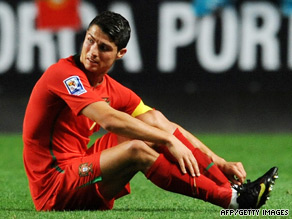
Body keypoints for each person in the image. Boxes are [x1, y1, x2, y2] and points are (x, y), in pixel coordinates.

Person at [23, 11, 278, 211]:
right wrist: (166, 139)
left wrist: (219, 163)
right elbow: (108, 119)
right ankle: (230, 201)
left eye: (104, 48)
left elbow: (160, 122)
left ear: (120, 54)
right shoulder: (64, 75)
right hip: (52, 186)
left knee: (153, 123)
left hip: (78, 169)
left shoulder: (111, 88)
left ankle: (236, 190)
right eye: (90, 40)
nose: (92, 52)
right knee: (138, 148)